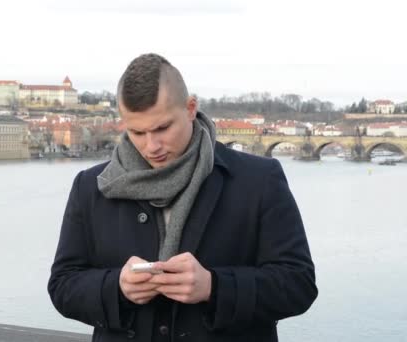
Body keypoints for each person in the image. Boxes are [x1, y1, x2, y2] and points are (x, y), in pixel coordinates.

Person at [48, 53, 317, 341]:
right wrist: (117, 288)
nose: (152, 146)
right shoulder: (90, 187)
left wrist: (214, 287)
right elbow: (63, 286)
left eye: (163, 128)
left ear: (190, 109)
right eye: (137, 132)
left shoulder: (260, 180)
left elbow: (298, 285)